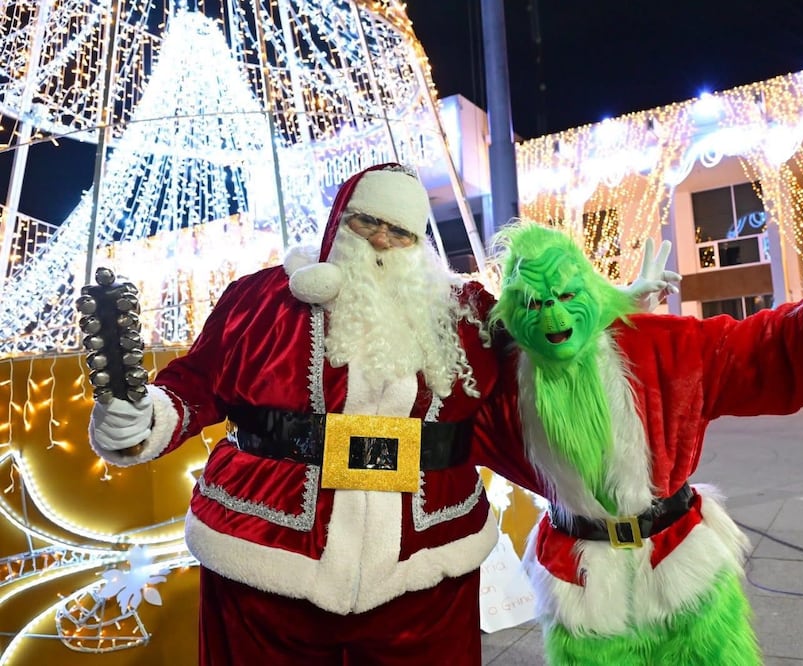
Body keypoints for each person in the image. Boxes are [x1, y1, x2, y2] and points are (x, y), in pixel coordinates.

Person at [83, 163, 547, 665]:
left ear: (419, 241)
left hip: (426, 562)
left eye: (399, 231)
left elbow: (542, 373)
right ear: (338, 222)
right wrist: (145, 418)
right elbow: (194, 383)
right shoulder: (261, 300)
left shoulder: (467, 314)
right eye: (367, 222)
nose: (382, 240)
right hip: (270, 558)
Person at [475, 217, 803, 665]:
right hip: (580, 588)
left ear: (591, 290)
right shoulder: (501, 392)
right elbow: (435, 433)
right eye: (535, 303)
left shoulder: (662, 348)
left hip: (681, 568)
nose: (554, 319)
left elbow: (767, 350)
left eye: (566, 297)